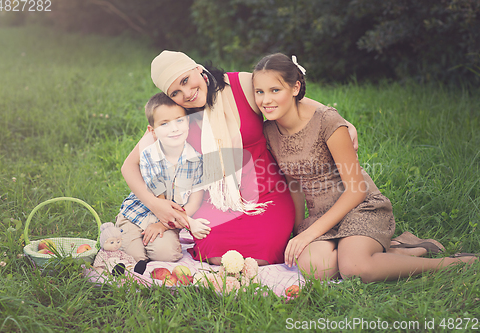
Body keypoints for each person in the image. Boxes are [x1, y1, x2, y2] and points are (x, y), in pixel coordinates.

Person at [121, 50, 361, 266]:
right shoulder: (173, 113)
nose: (187, 93)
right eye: (175, 92)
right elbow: (129, 167)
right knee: (216, 255)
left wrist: (338, 119)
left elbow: (288, 97)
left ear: (197, 69)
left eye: (186, 80)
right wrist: (155, 204)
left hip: (267, 192)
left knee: (265, 252)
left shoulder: (242, 83)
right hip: (216, 199)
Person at [255, 53, 480, 281]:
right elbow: (294, 186)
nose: (266, 100)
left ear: (295, 88)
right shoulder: (269, 132)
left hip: (359, 207)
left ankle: (452, 264)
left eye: (275, 90)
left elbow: (356, 189)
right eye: (259, 92)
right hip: (320, 216)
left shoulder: (327, 122)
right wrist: (298, 232)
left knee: (354, 268)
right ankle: (399, 248)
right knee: (314, 269)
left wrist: (310, 234)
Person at [116, 92, 211, 263]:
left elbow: (194, 203)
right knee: (134, 256)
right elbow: (158, 197)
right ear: (152, 131)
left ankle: (151, 245)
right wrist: (188, 222)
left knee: (168, 255)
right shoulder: (150, 153)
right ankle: (122, 227)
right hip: (137, 213)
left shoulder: (196, 160)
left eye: (179, 120)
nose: (174, 128)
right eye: (165, 124)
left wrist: (163, 225)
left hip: (169, 221)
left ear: (188, 122)